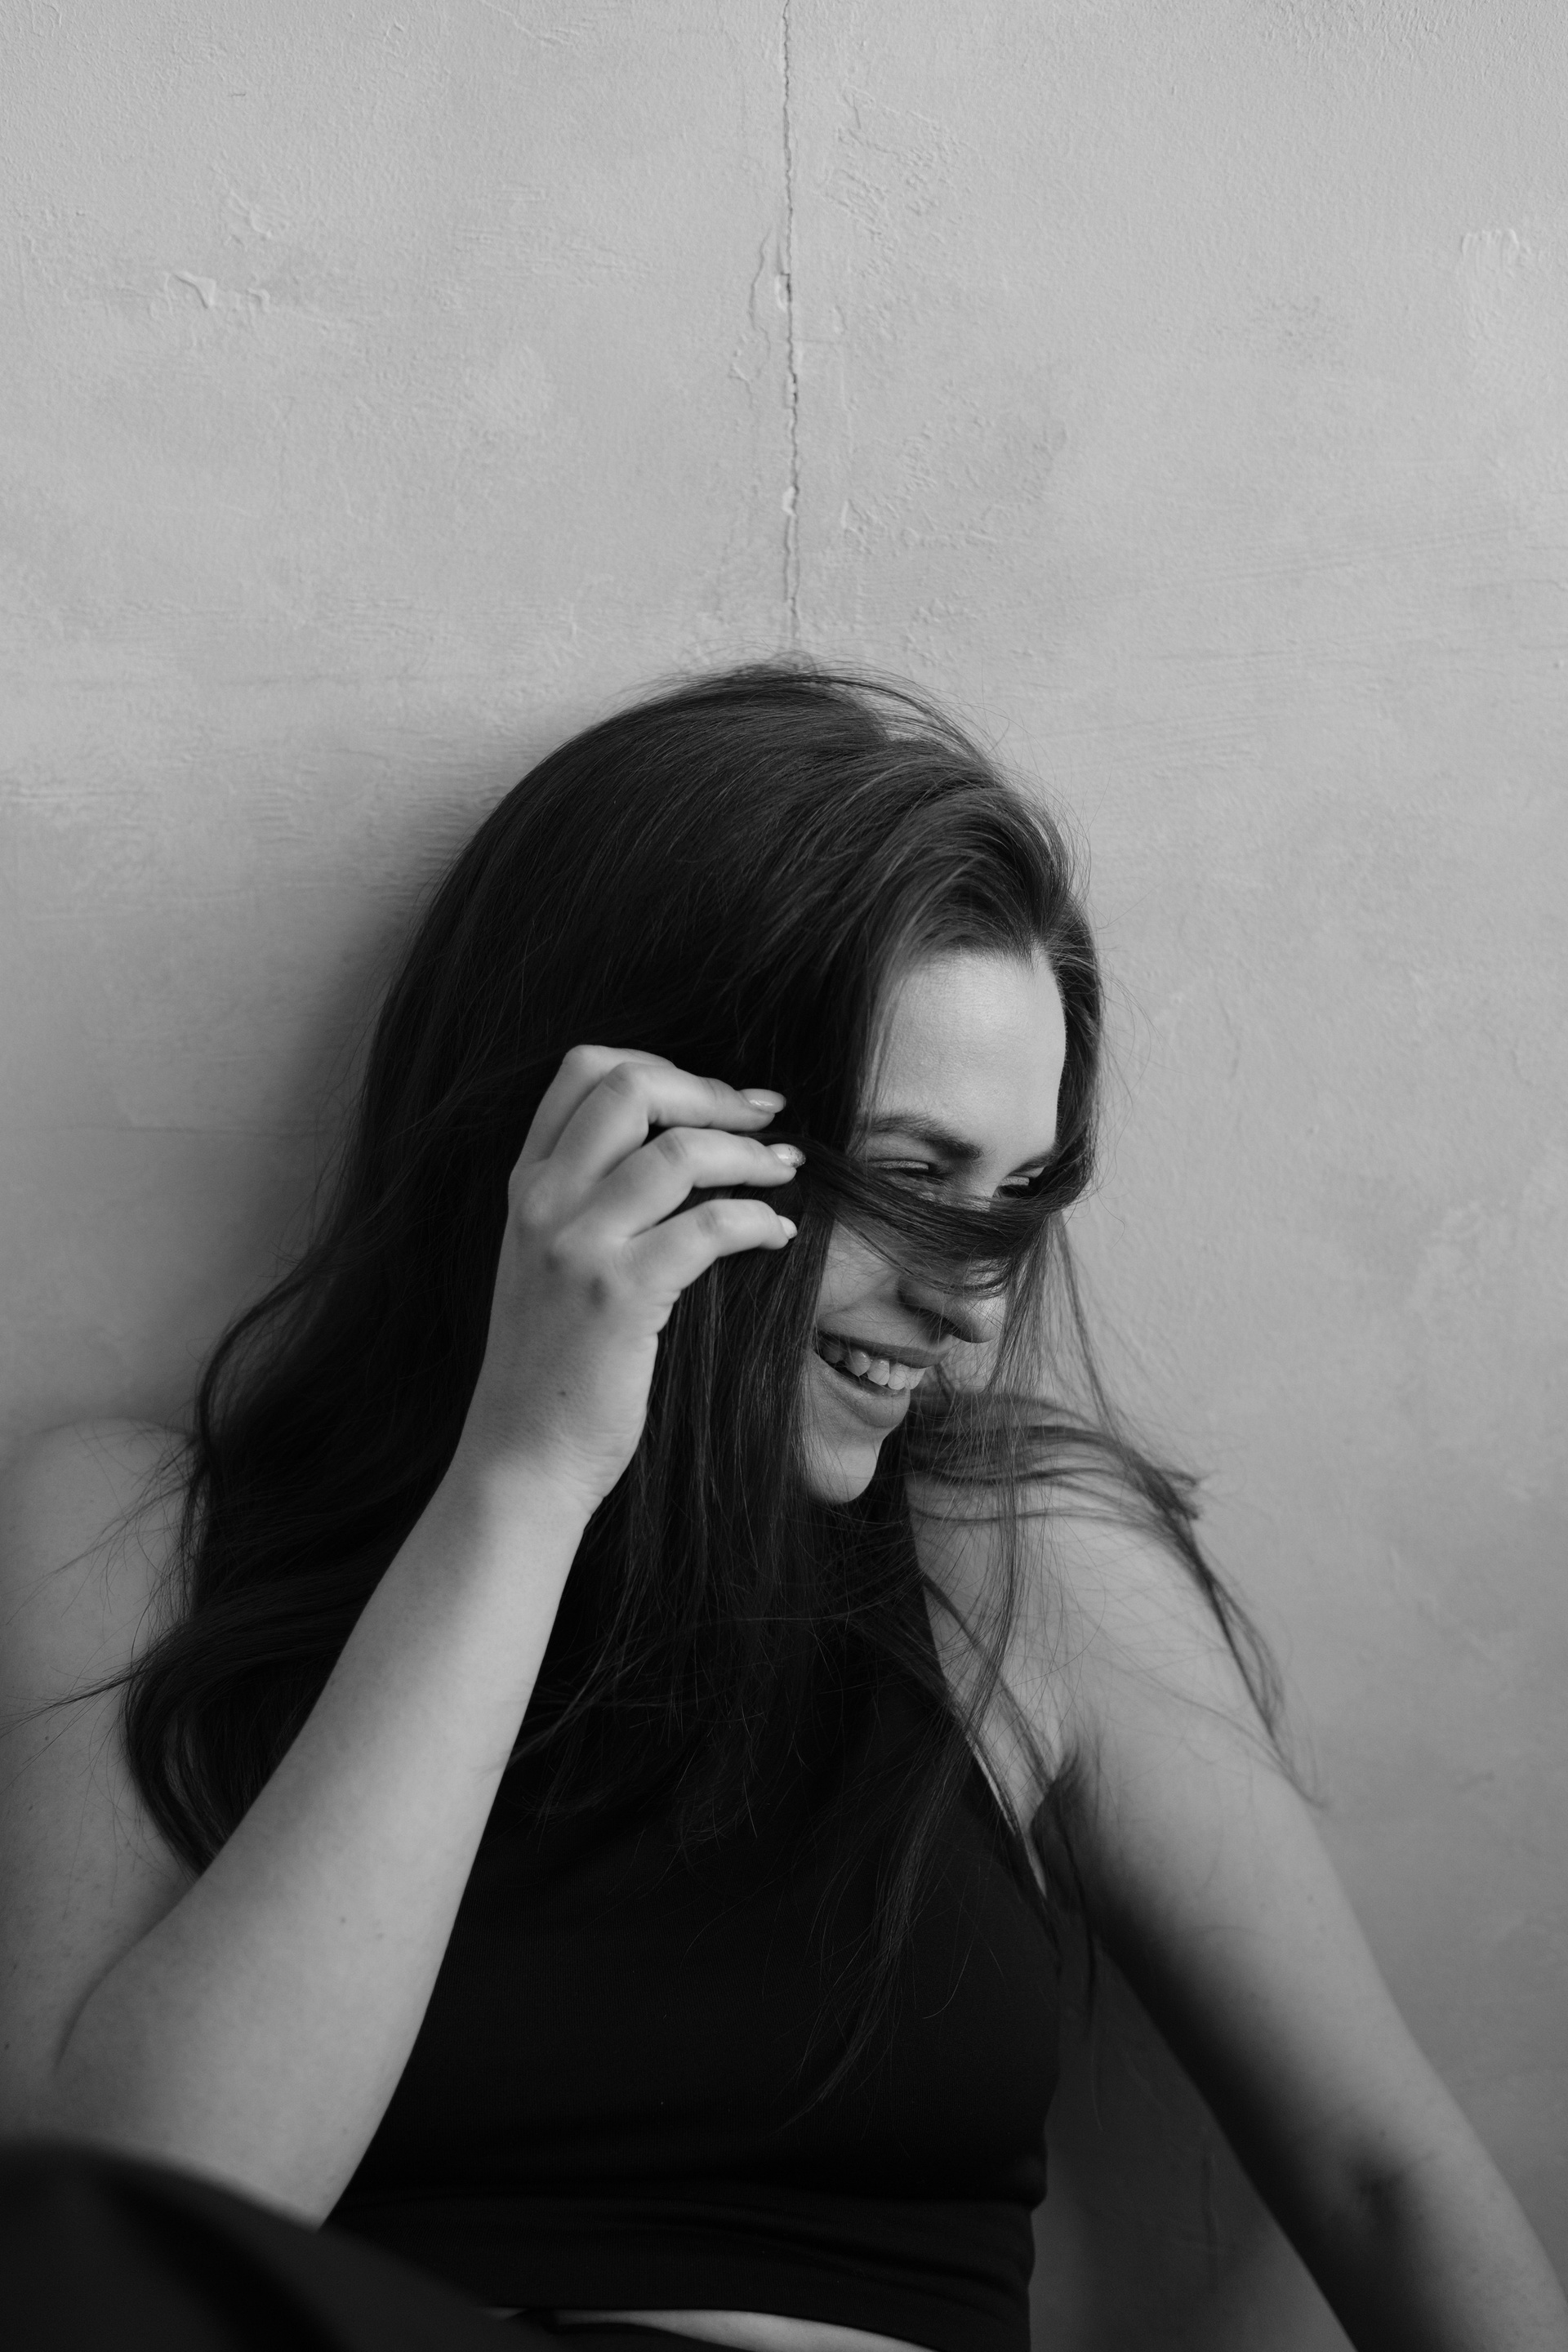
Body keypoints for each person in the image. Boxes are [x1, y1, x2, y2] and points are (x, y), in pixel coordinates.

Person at [0, 657, 1563, 2352]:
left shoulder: (1014, 1562)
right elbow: (124, 2238)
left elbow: (1384, 2180)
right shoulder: (140, 1531)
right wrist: (525, 1479)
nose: (973, 1306)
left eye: (1014, 1198)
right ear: (630, 1132)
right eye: (910, 1180)